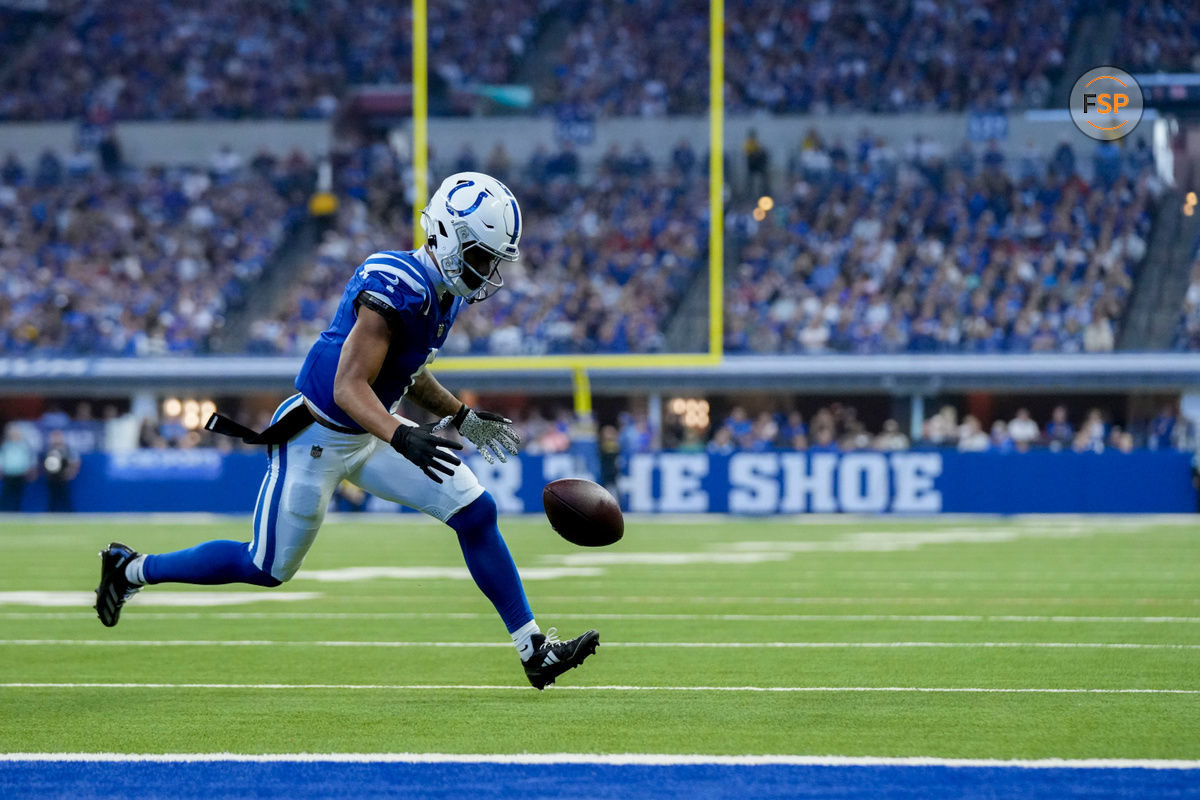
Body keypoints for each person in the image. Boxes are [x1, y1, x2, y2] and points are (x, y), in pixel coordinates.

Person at [93, 172, 599, 690]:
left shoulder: (444, 294)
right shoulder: (397, 284)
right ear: (446, 236)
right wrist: (402, 436)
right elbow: (347, 386)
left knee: (475, 511)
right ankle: (131, 569)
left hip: (369, 431)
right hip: (317, 436)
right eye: (481, 256)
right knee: (266, 566)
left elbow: (409, 370)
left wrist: (460, 416)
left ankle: (533, 649)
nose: (487, 271)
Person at [42, 430, 80, 512]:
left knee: (65, 496)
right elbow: (45, 463)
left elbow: (75, 461)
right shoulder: (49, 449)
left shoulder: (67, 449)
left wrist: (71, 472)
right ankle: (51, 512)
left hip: (63, 476)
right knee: (52, 496)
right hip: (52, 476)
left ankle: (68, 512)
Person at [1, 424, 36, 512]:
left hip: (21, 473)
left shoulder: (24, 445)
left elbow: (30, 458)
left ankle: (17, 511)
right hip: (8, 473)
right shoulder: (6, 445)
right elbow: (1, 458)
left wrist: (30, 469)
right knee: (7, 494)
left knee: (19, 494)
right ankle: (7, 511)